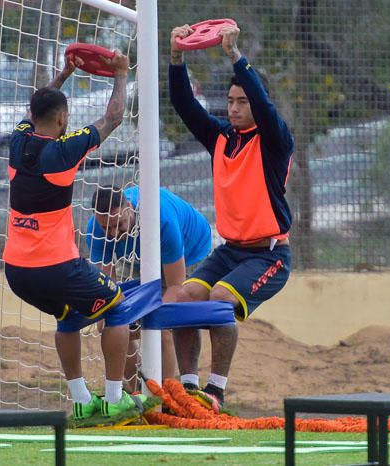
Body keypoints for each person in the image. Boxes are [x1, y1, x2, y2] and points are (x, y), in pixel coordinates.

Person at [3, 52, 147, 420]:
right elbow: (113, 117)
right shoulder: (63, 150)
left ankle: (82, 400)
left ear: (33, 117)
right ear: (63, 119)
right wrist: (120, 74)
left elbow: (40, 102)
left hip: (17, 272)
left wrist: (63, 74)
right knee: (117, 306)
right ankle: (115, 397)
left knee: (68, 318)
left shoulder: (17, 141)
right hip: (56, 265)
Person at [168, 22, 293, 411]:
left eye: (242, 101)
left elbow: (264, 103)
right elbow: (184, 104)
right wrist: (176, 56)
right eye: (231, 101)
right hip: (229, 251)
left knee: (222, 298)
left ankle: (216, 390)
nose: (234, 107)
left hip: (268, 256)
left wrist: (233, 54)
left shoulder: (275, 141)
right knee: (183, 298)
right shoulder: (221, 137)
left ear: (259, 104)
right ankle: (187, 388)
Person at [86, 186, 212, 390]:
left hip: (190, 252)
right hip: (140, 258)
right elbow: (107, 289)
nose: (113, 233)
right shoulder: (95, 231)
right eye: (106, 228)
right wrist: (117, 317)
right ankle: (137, 392)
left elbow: (174, 286)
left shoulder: (162, 220)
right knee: (112, 325)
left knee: (162, 325)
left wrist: (151, 318)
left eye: (118, 224)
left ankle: (171, 394)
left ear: (129, 208)